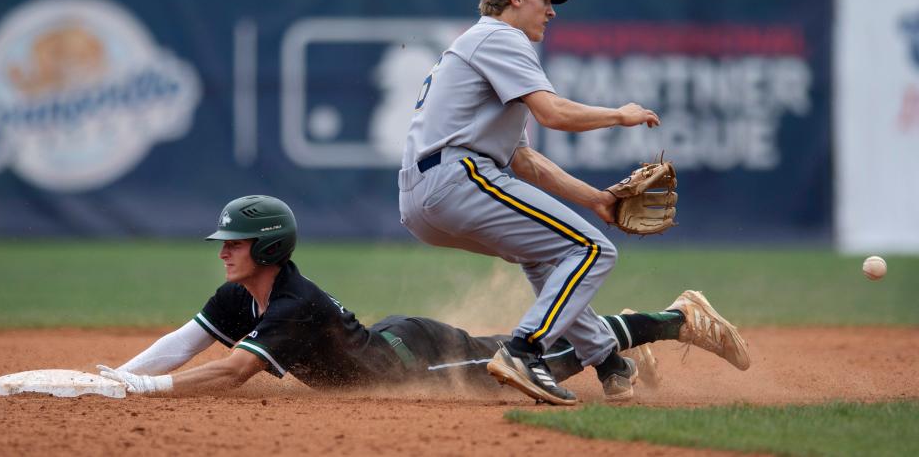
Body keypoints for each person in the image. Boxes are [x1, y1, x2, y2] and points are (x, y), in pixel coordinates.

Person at [397, 0, 750, 405]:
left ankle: (607, 363)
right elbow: (554, 113)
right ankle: (524, 352)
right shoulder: (500, 38)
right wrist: (620, 115)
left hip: (425, 197)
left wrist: (596, 200)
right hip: (457, 177)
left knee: (546, 257)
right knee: (593, 250)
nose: (552, 9)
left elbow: (524, 162)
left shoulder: (479, 47)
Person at [98, 195, 740, 402]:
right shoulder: (241, 295)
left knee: (529, 366)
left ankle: (674, 320)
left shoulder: (289, 304)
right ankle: (634, 345)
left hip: (416, 363)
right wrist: (121, 377)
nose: (222, 251)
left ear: (266, 251)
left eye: (234, 243)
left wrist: (141, 393)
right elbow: (187, 341)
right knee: (533, 350)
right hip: (398, 338)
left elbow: (235, 370)